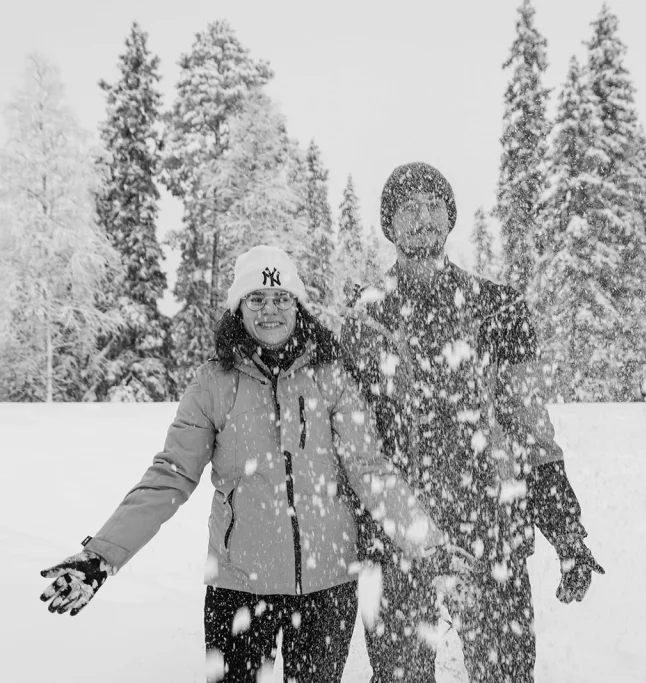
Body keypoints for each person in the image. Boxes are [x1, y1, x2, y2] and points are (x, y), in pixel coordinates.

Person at [40, 244, 446, 683]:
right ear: (239, 307)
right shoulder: (213, 383)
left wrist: (426, 539)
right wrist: (101, 555)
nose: (269, 310)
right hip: (239, 588)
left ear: (298, 306)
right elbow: (169, 476)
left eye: (280, 298)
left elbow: (369, 468)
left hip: (327, 589)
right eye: (257, 299)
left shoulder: (331, 377)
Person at [340, 162, 604, 683]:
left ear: (451, 219)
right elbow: (352, 446)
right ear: (389, 225)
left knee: (505, 676)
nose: (422, 219)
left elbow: (532, 431)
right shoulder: (365, 321)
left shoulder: (498, 309)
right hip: (400, 538)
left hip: (491, 528)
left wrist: (566, 530)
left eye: (434, 207)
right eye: (408, 209)